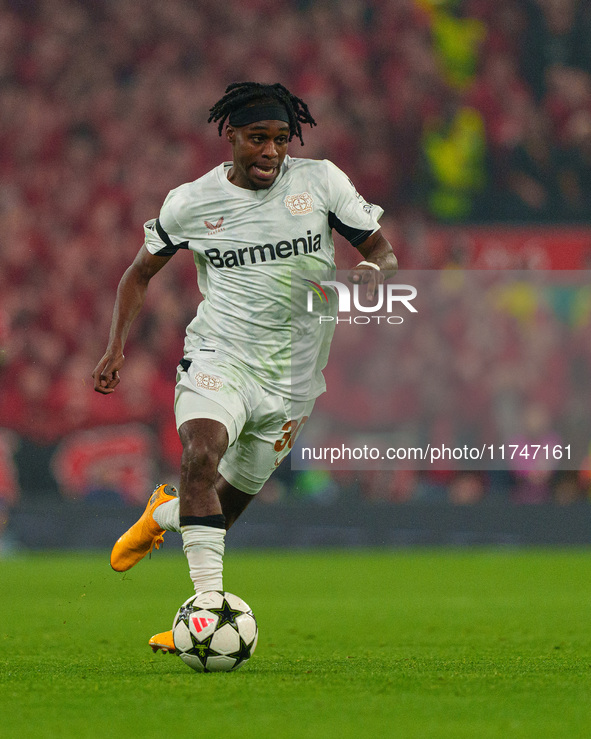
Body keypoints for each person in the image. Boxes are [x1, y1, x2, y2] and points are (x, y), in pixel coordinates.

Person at [92, 82, 397, 653]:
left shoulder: (321, 183)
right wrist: (116, 348)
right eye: (258, 139)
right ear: (230, 136)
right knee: (201, 452)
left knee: (220, 512)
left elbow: (382, 250)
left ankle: (164, 516)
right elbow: (137, 274)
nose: (271, 153)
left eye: (282, 140)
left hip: (293, 378)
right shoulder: (190, 203)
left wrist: (373, 274)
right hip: (220, 354)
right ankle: (206, 614)